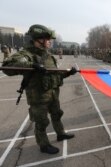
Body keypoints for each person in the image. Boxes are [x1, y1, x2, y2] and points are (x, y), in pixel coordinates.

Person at [2, 24, 77, 154]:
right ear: (39, 40)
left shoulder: (48, 56)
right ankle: (44, 145)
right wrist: (32, 65)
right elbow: (8, 66)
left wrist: (68, 73)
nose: (50, 42)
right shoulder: (27, 54)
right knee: (41, 122)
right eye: (48, 39)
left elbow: (55, 74)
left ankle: (60, 133)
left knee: (57, 114)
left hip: (53, 93)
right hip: (38, 96)